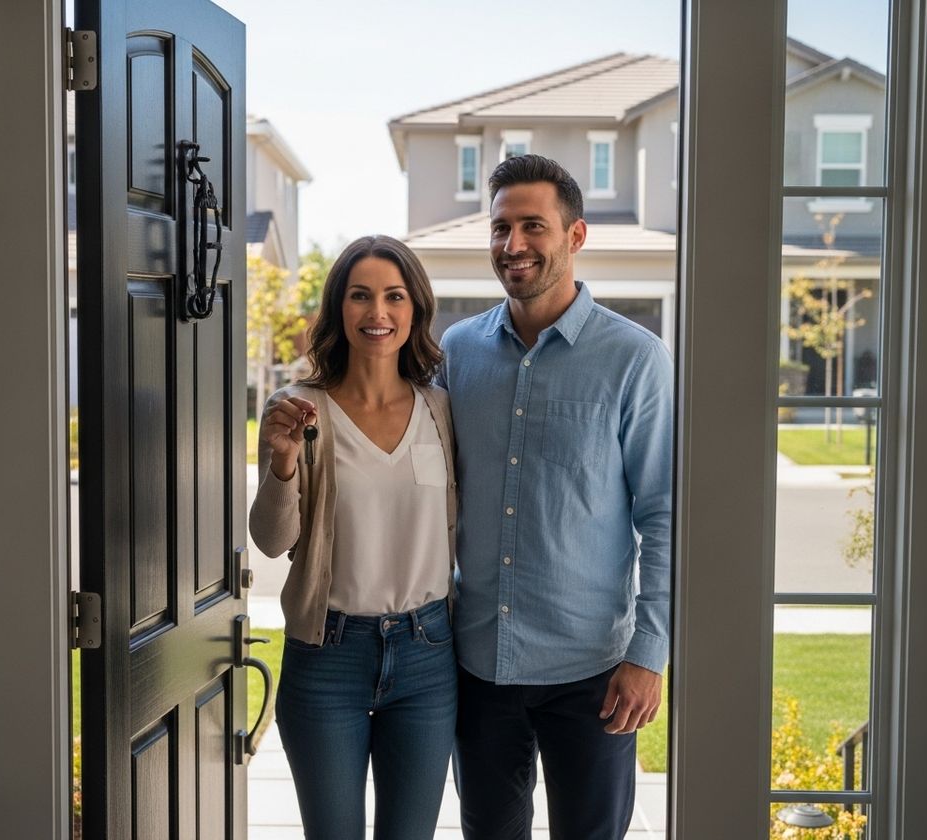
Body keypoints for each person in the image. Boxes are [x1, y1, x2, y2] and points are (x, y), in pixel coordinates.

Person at [439, 154, 673, 839]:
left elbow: (662, 515)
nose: (513, 245)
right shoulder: (456, 352)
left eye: (532, 225)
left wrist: (648, 653)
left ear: (575, 236)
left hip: (594, 673)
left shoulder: (635, 359)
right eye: (500, 227)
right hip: (479, 663)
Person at [248, 234, 458, 840]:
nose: (378, 312)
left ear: (414, 308)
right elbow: (270, 539)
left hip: (427, 653)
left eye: (394, 296)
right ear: (339, 308)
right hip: (326, 655)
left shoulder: (440, 408)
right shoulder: (297, 410)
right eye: (360, 296)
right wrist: (283, 464)